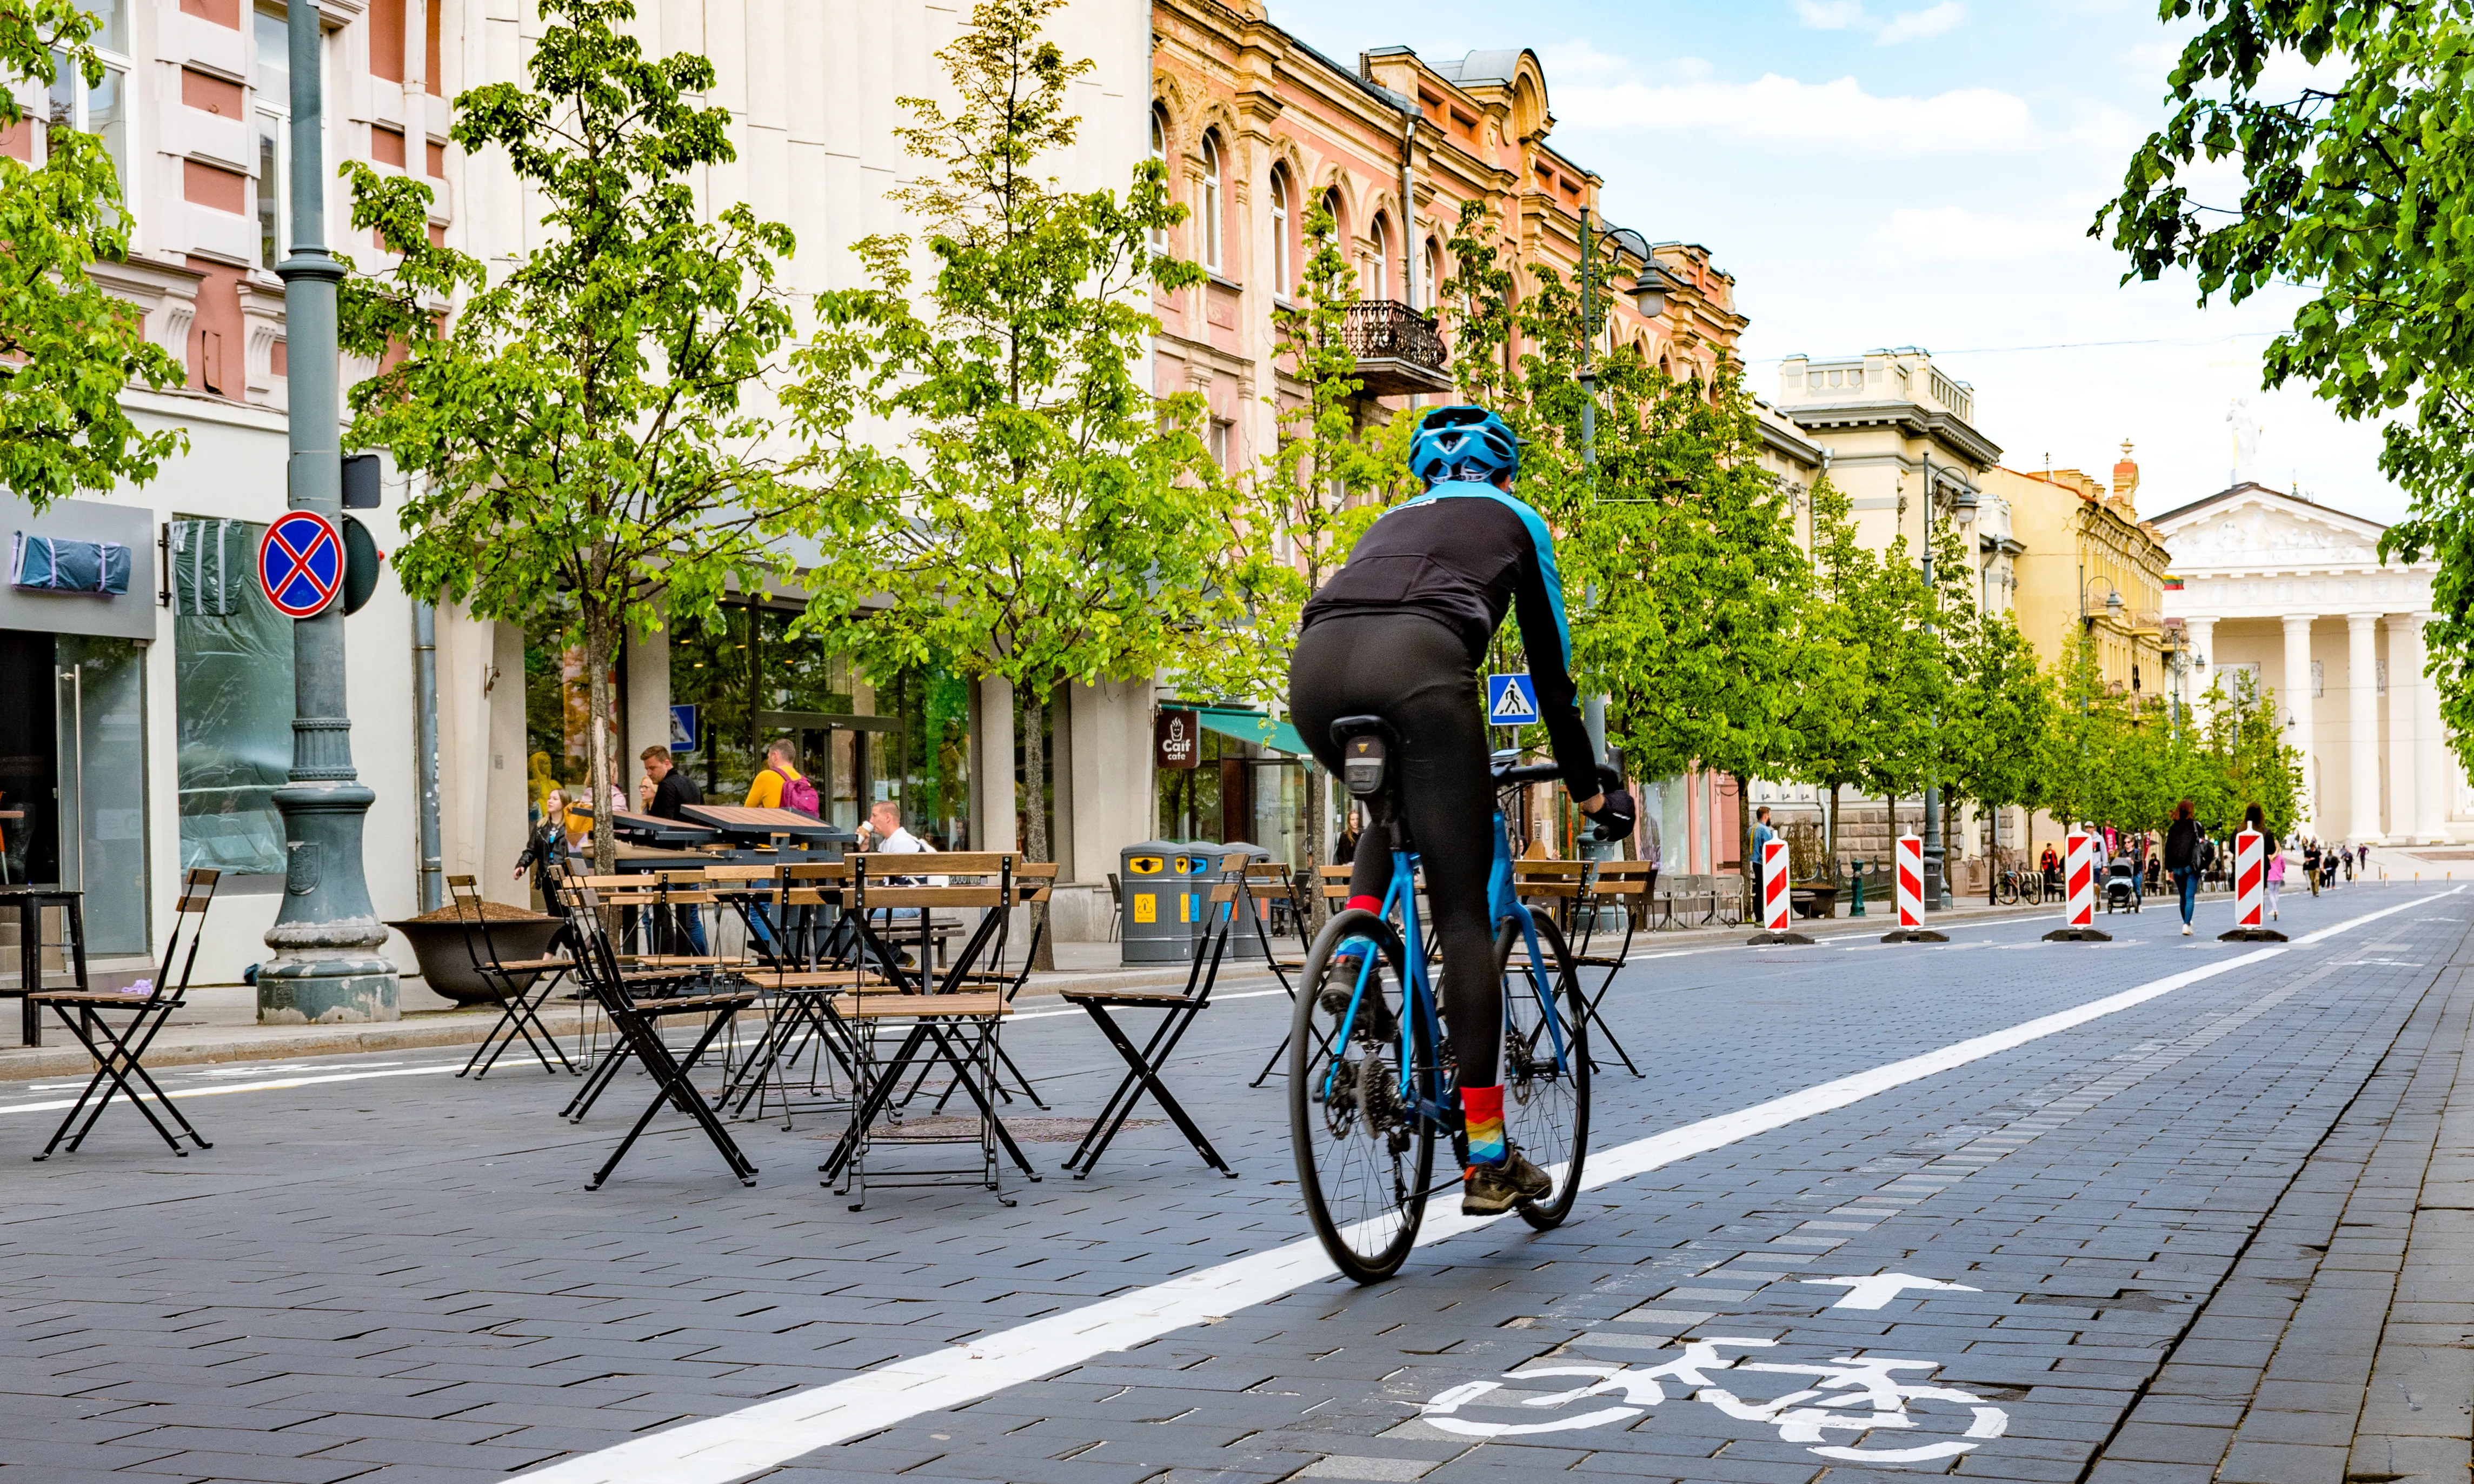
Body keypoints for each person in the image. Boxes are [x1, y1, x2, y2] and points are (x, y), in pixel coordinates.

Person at [1288, 403, 1633, 1217]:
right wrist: (1590, 787)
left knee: (1389, 815)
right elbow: (1551, 676)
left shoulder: (1387, 521)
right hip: (1421, 667)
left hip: (1315, 670)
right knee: (1464, 913)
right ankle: (1486, 1157)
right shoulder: (1519, 521)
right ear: (1507, 475)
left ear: (1424, 479)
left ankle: (1353, 959)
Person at [637, 745, 708, 955]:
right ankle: (705, 968)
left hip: (670, 860)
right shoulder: (692, 785)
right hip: (691, 858)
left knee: (663, 916)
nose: (649, 773)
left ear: (667, 763)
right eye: (647, 769)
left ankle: (674, 966)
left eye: (652, 768)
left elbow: (663, 827)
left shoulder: (668, 787)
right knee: (691, 918)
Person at [745, 738, 820, 817]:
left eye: (768, 757)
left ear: (775, 756)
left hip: (778, 829)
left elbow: (747, 812)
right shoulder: (804, 782)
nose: (768, 760)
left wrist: (762, 811)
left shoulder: (766, 776)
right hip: (803, 829)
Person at [2163, 800, 2202, 936]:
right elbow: (2202, 845)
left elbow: (2168, 849)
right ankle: (2187, 924)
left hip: (2177, 866)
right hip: (2192, 866)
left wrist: (2169, 869)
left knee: (2183, 897)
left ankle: (2186, 922)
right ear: (2192, 810)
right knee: (2190, 896)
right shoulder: (2196, 826)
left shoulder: (2173, 828)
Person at [2250, 803, 2286, 921]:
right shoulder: (2279, 856)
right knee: (2275, 894)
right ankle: (2274, 909)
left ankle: (2274, 909)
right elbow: (2283, 866)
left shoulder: (2270, 855)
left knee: (2270, 893)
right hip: (2276, 876)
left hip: (2269, 876)